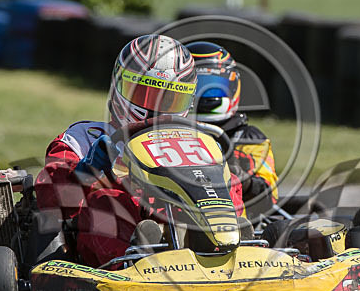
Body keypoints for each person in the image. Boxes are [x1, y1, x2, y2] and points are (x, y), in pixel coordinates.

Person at [35, 34, 244, 267]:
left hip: (179, 221)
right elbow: (48, 196)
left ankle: (235, 245)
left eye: (171, 100)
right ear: (119, 87)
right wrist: (88, 170)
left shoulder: (191, 141)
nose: (156, 110)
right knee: (109, 202)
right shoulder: (83, 138)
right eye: (146, 95)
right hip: (112, 244)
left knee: (227, 181)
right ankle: (132, 259)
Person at [186, 41, 278, 219]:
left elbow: (268, 197)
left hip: (236, 220)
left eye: (213, 86)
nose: (204, 96)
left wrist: (241, 177)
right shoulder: (167, 133)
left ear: (232, 87)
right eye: (196, 88)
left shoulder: (249, 138)